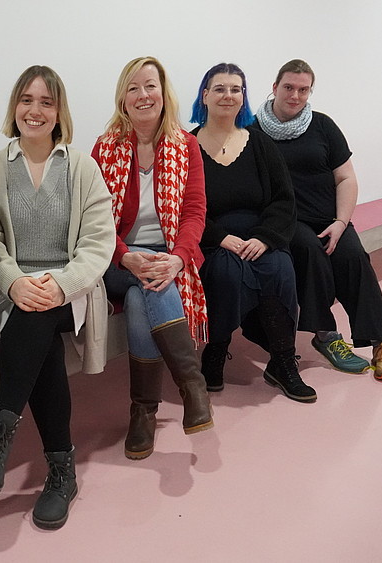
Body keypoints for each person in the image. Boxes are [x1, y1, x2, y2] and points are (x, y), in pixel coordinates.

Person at [0, 66, 115, 530]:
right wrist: (12, 281)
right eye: (27, 100)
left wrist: (62, 284)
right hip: (12, 294)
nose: (35, 110)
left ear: (58, 111)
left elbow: (98, 242)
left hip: (72, 292)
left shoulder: (82, 167)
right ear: (15, 107)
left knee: (41, 316)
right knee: (38, 336)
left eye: (46, 102)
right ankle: (61, 472)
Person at [92, 56, 213, 461]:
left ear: (163, 93)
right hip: (114, 259)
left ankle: (143, 410)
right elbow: (92, 223)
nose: (143, 95)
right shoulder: (104, 148)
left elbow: (195, 212)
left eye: (150, 86)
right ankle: (191, 385)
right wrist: (126, 257)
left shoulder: (186, 145)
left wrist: (179, 258)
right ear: (122, 98)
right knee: (148, 283)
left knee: (143, 296)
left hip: (166, 257)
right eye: (133, 88)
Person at [253, 59, 382, 381]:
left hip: (328, 217)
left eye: (303, 90)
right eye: (289, 87)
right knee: (310, 252)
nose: (295, 95)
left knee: (354, 258)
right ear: (275, 87)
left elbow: (346, 178)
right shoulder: (253, 132)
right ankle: (326, 336)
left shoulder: (322, 125)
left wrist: (340, 221)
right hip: (286, 220)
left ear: (310, 92)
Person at [188, 63, 315, 403]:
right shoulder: (185, 146)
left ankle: (283, 362)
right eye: (220, 89)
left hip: (261, 237)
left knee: (278, 269)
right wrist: (218, 238)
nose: (228, 95)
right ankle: (215, 351)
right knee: (225, 271)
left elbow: (283, 200)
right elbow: (182, 207)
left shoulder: (260, 143)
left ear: (243, 96)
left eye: (235, 89)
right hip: (211, 239)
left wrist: (264, 238)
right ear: (205, 95)